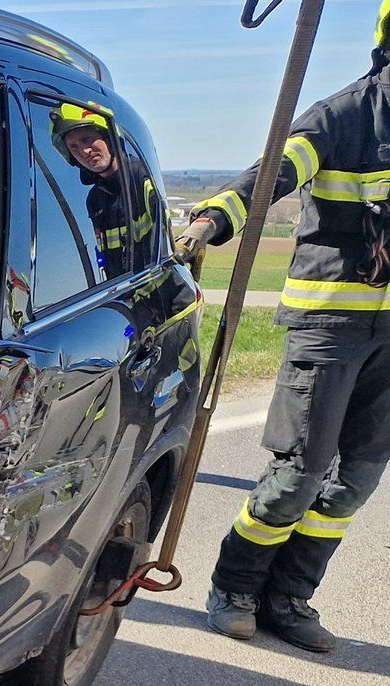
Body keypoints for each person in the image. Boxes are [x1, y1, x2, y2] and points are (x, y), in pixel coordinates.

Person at [172, 4, 390, 652]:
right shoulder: (346, 114)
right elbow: (269, 175)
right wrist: (210, 221)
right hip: (329, 321)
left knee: (355, 479)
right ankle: (234, 587)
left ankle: (290, 599)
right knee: (301, 470)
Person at [49, 102, 159, 281]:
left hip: (166, 300)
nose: (84, 151)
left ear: (108, 137)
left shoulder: (140, 176)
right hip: (128, 302)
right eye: (74, 147)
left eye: (87, 139)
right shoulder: (95, 199)